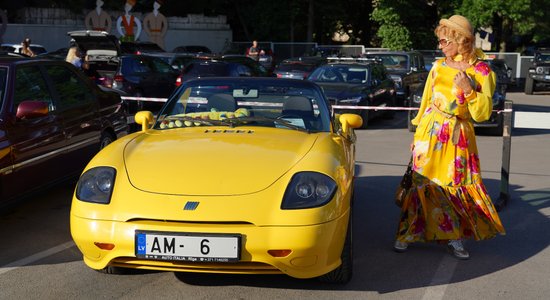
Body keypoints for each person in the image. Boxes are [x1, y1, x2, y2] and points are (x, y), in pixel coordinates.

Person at [393, 15, 505, 260]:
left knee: (454, 187)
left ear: (460, 40)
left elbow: (483, 114)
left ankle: (454, 237)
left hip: (458, 136)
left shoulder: (482, 72)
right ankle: (407, 233)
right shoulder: (438, 67)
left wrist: (468, 89)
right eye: (440, 41)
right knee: (420, 184)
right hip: (430, 132)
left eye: (444, 41)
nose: (440, 46)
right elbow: (425, 103)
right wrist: (418, 133)